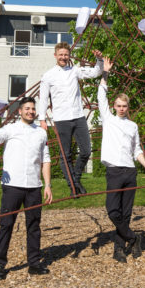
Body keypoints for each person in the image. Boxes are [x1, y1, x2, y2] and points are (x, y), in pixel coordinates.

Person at [0, 97, 53, 280]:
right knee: (6, 225)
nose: (30, 111)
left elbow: (46, 160)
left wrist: (48, 185)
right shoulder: (10, 129)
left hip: (33, 187)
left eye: (33, 109)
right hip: (12, 187)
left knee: (34, 226)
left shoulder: (41, 133)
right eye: (27, 108)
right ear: (19, 111)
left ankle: (34, 264)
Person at [97, 54, 145, 263]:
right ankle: (134, 237)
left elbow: (137, 149)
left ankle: (119, 249)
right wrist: (105, 73)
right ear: (114, 106)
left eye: (125, 106)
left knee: (126, 212)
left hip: (130, 172)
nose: (122, 108)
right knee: (113, 210)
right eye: (119, 105)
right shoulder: (108, 119)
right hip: (114, 171)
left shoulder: (133, 126)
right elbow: (101, 96)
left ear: (128, 107)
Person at [37, 42, 103, 196]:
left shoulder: (75, 71)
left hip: (78, 117)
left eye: (66, 55)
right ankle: (73, 188)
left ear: (68, 56)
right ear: (55, 56)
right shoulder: (48, 76)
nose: (63, 57)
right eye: (61, 55)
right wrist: (42, 120)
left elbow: (96, 72)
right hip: (61, 119)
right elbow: (44, 100)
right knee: (65, 155)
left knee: (86, 150)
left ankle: (76, 179)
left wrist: (99, 59)